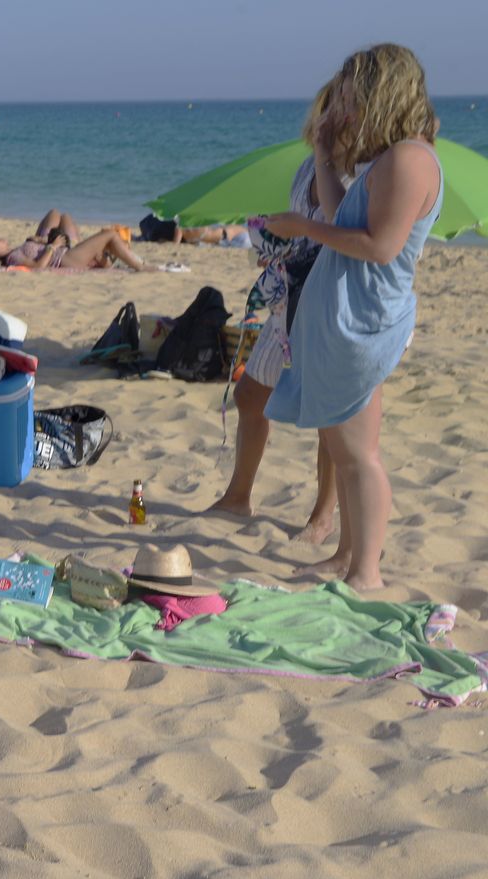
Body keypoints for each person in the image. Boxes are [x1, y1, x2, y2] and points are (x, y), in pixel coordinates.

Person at [262, 44, 443, 591]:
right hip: (341, 315)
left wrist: (303, 227)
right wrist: (321, 150)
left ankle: (366, 571)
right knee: (342, 447)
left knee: (360, 454)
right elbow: (344, 212)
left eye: (348, 91)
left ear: (376, 91)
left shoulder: (410, 158)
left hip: (366, 317)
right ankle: (345, 557)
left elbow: (381, 246)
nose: (340, 101)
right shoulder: (387, 158)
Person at [206, 75, 347, 541]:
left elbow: (346, 234)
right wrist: (276, 240)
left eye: (338, 111)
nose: (326, 119)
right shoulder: (309, 168)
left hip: (329, 304)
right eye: (325, 110)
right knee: (250, 395)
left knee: (328, 416)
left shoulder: (356, 172)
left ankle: (322, 517)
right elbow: (303, 231)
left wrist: (301, 229)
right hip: (290, 297)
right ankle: (238, 497)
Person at [0, 209, 155, 271]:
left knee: (106, 243)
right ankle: (140, 266)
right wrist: (52, 247)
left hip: (66, 254)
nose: (0, 238)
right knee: (110, 235)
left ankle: (114, 260)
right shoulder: (12, 258)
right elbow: (37, 268)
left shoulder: (15, 251)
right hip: (66, 259)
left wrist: (42, 241)